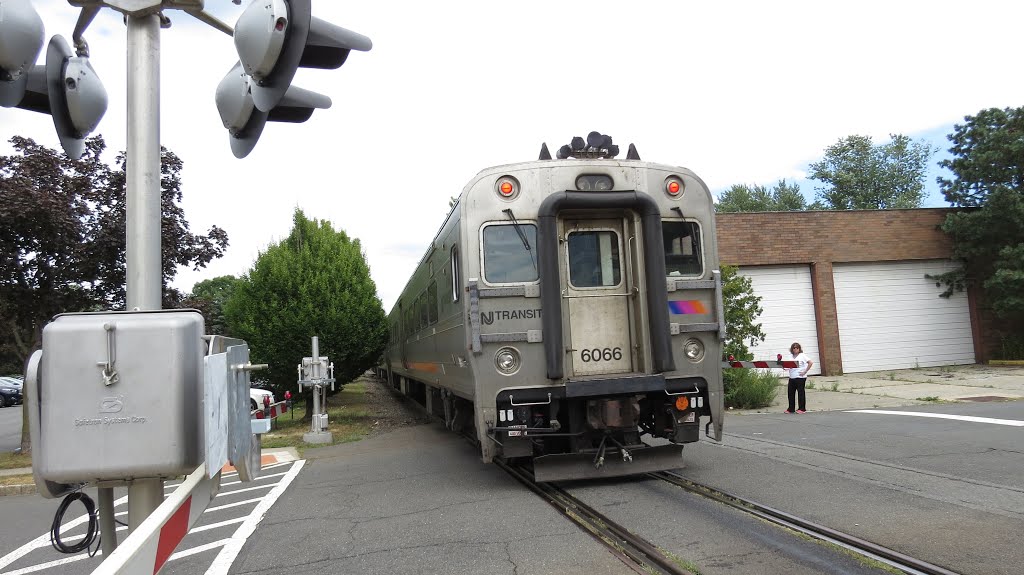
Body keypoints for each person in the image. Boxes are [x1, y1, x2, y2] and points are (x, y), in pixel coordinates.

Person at [785, 342, 813, 414]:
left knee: (800, 393)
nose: (795, 349)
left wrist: (805, 371)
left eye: (797, 348)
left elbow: (810, 362)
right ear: (792, 349)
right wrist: (784, 367)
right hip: (792, 377)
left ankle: (802, 408)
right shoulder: (790, 356)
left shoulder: (802, 355)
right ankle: (791, 408)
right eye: (794, 348)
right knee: (790, 393)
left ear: (799, 349)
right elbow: (788, 366)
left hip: (800, 377)